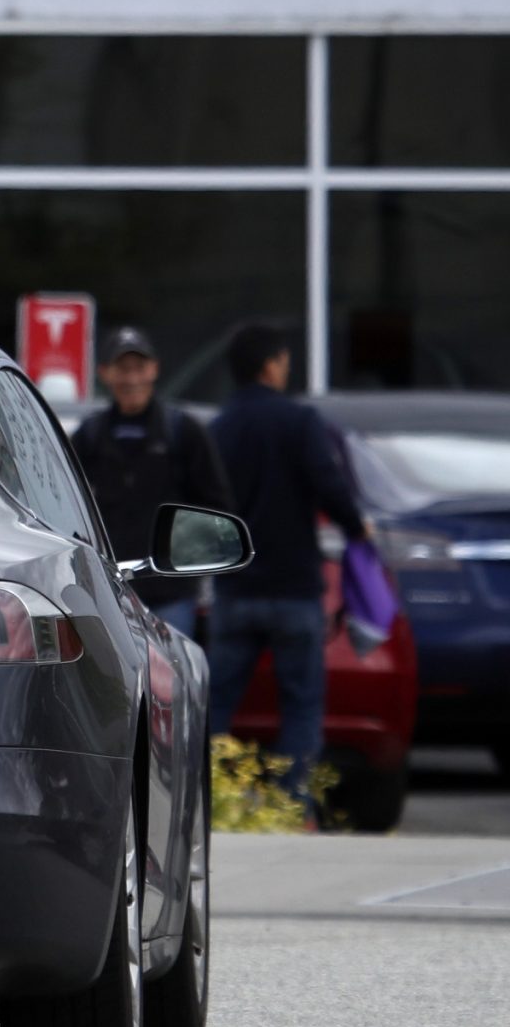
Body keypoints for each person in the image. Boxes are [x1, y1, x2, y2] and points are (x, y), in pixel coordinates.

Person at [206, 320, 367, 815]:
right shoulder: (300, 422)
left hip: (235, 588)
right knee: (300, 704)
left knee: (215, 705)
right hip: (294, 587)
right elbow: (330, 485)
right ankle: (292, 805)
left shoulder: (218, 428)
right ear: (271, 365)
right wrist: (358, 530)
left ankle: (209, 797)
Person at [68, 326, 235, 640]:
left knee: (171, 684)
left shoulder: (184, 432)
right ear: (105, 373)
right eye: (122, 369)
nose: (131, 379)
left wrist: (185, 555)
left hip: (172, 594)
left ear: (154, 369)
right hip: (108, 593)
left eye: (139, 368)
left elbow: (217, 508)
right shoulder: (89, 437)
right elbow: (63, 506)